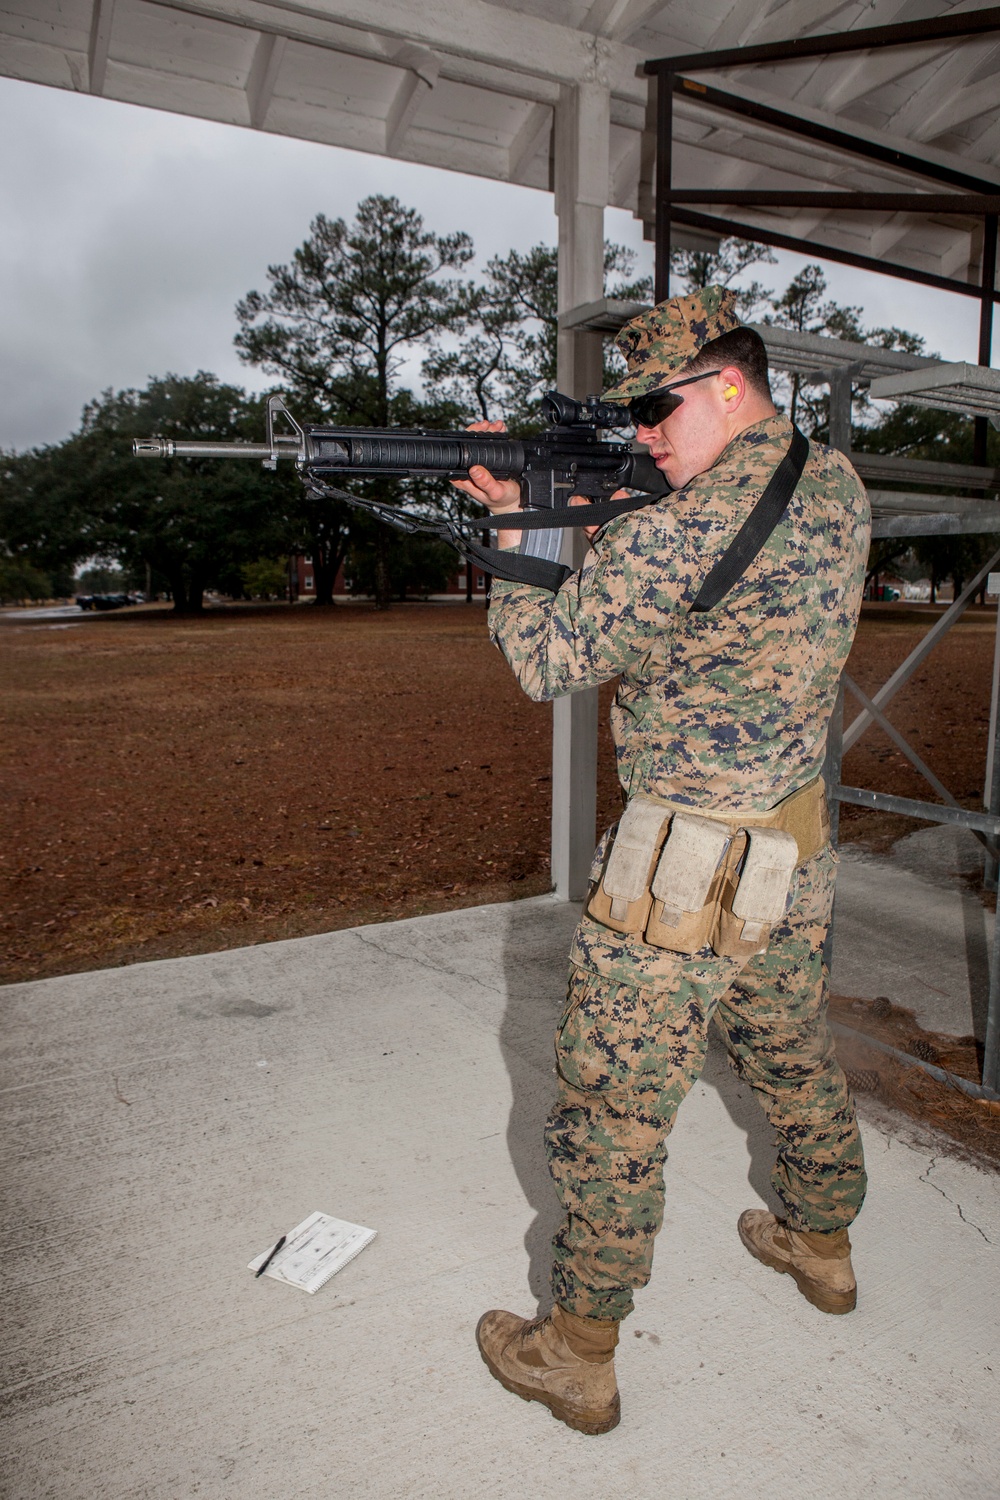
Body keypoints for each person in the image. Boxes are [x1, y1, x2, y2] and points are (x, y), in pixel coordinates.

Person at [452, 285, 871, 1437]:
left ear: (726, 385)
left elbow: (549, 658)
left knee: (612, 1111)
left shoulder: (670, 529)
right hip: (793, 846)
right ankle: (824, 1245)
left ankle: (575, 1356)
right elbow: (715, 595)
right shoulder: (835, 483)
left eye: (655, 409)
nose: (641, 434)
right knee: (791, 1055)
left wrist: (515, 530)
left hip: (678, 873)